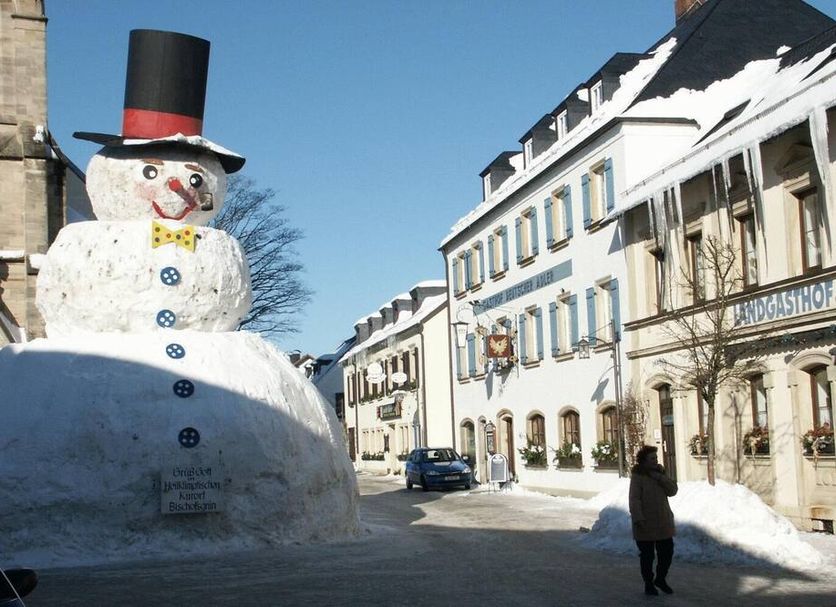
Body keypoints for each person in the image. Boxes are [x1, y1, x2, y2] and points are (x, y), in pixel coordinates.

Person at [629, 445, 678, 596]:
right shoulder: (638, 476)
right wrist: (638, 518)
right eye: (652, 458)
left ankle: (660, 579)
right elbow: (634, 499)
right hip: (645, 523)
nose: (655, 460)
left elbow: (673, 491)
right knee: (647, 556)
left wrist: (660, 477)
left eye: (656, 458)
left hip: (663, 521)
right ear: (644, 461)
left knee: (667, 552)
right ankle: (649, 583)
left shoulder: (661, 473)